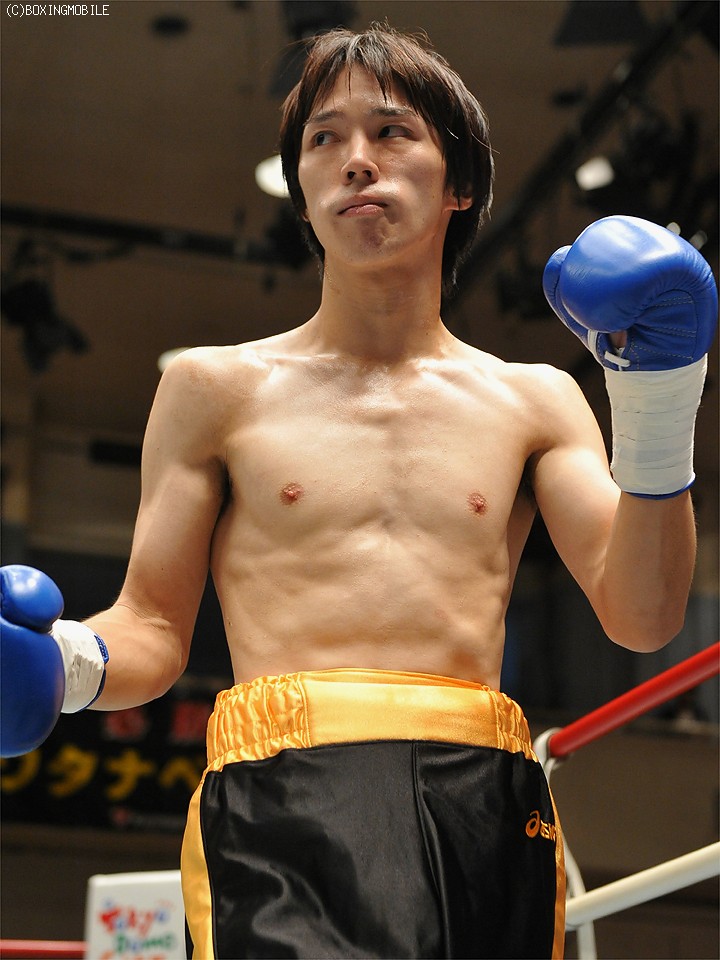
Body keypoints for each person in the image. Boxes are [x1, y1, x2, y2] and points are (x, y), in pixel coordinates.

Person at [1, 23, 716, 960]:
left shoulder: (535, 399)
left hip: (481, 797)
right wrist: (67, 664)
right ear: (303, 189)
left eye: (392, 131)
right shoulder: (214, 389)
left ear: (460, 184)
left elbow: (644, 615)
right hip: (282, 792)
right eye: (324, 139)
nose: (355, 160)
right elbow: (154, 628)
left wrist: (660, 396)